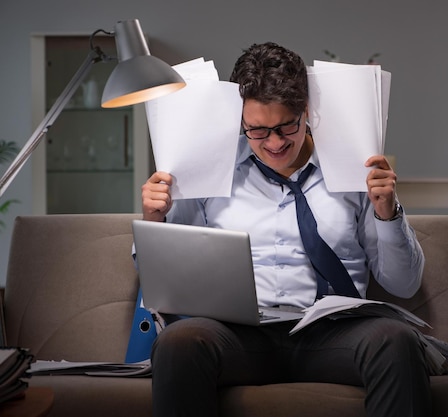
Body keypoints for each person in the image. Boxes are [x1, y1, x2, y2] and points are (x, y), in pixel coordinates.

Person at [141, 42, 431, 417]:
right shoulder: (208, 171)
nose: (275, 143)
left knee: (396, 341)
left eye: (286, 127)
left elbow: (403, 284)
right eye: (258, 131)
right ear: (239, 121)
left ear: (306, 112)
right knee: (179, 342)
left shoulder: (356, 172)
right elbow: (164, 284)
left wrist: (387, 212)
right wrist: (155, 219)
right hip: (238, 335)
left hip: (331, 333)